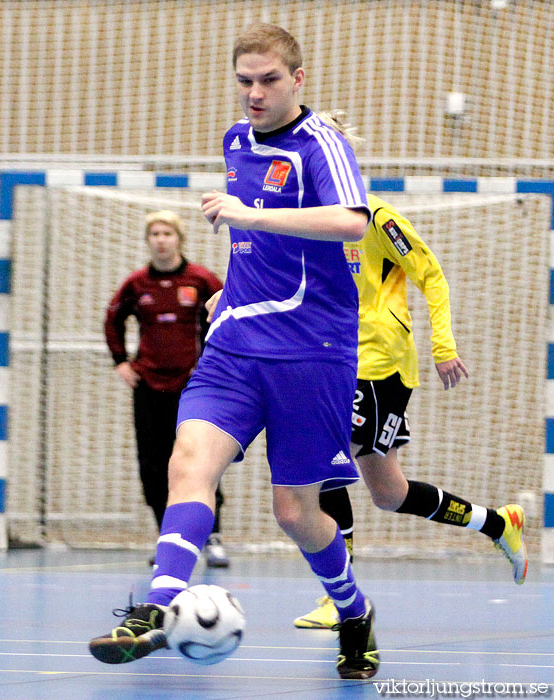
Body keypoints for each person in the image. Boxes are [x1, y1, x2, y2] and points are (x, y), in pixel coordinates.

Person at [90, 23, 379, 681]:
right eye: (244, 79)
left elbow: (350, 220)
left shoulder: (320, 145)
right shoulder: (235, 140)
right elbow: (253, 246)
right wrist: (236, 291)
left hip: (313, 350)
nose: (254, 92)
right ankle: (156, 611)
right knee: (188, 463)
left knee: (295, 514)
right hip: (235, 347)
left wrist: (250, 215)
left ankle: (354, 611)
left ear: (297, 80)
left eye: (268, 80)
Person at [290, 174, 528, 629]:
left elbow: (431, 274)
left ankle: (341, 597)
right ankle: (498, 523)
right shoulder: (308, 221)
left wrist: (444, 346)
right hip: (333, 357)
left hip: (379, 363)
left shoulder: (376, 217)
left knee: (326, 462)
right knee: (389, 493)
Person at [104, 210, 229, 568]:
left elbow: (226, 315)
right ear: (148, 240)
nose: (161, 239)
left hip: (193, 388)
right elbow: (112, 319)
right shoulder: (136, 284)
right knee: (154, 465)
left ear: (179, 238)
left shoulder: (201, 279)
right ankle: (167, 537)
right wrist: (120, 361)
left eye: (167, 233)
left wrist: (212, 364)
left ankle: (213, 538)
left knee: (200, 460)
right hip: (149, 387)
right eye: (155, 233)